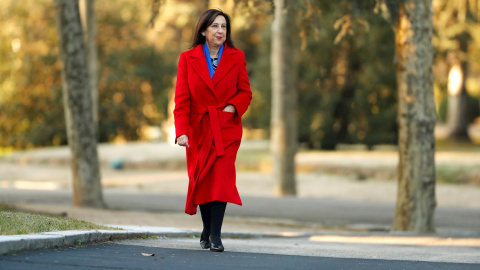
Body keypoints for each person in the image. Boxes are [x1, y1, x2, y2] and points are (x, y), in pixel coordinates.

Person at [173, 9, 252, 253]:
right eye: (215, 26)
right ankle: (207, 228)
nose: (220, 31)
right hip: (198, 129)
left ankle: (215, 235)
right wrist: (182, 131)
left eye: (224, 27)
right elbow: (182, 99)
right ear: (204, 31)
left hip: (226, 129)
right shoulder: (188, 58)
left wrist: (231, 107)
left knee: (221, 178)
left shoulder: (237, 57)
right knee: (203, 179)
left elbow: (245, 92)